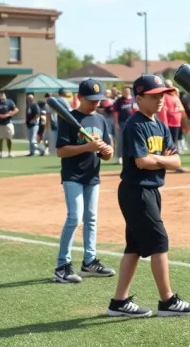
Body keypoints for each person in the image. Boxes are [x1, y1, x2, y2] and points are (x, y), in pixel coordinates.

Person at [106, 74, 190, 318]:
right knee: (159, 242)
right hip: (135, 191)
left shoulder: (160, 125)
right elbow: (140, 161)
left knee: (135, 247)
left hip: (149, 189)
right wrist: (162, 160)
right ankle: (167, 301)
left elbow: (177, 160)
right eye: (154, 95)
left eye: (162, 94)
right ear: (139, 98)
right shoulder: (135, 124)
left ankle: (119, 302)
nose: (160, 99)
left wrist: (157, 160)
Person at [53, 79, 116, 283]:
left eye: (98, 100)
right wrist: (86, 148)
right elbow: (61, 151)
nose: (95, 104)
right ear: (79, 98)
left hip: (92, 176)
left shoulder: (100, 120)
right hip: (73, 176)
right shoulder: (69, 118)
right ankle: (62, 266)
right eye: (91, 100)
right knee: (74, 218)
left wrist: (107, 151)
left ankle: (89, 262)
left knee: (91, 219)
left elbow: (106, 154)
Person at [113, 86, 137, 165]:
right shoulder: (119, 101)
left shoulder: (134, 99)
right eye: (124, 91)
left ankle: (133, 156)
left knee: (133, 139)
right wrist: (116, 123)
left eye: (127, 91)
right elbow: (116, 113)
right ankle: (120, 157)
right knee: (121, 140)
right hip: (122, 123)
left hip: (133, 122)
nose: (126, 92)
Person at [0, 91, 18, 158]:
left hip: (8, 123)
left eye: (2, 94)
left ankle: (10, 153)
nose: (1, 96)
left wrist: (9, 114)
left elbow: (16, 110)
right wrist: (0, 115)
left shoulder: (10, 102)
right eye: (0, 95)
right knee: (0, 138)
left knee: (9, 138)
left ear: (5, 95)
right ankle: (0, 153)